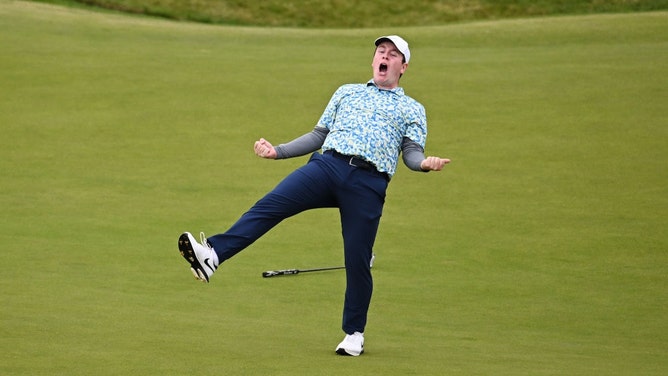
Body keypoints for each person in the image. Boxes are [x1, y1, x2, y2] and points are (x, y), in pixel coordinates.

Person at [177, 35, 450, 356]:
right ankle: (213, 256)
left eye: (392, 55)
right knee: (270, 205)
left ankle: (354, 334)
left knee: (357, 259)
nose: (384, 57)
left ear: (402, 67)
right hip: (327, 166)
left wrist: (424, 165)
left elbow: (411, 153)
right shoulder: (347, 91)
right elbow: (319, 134)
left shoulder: (412, 108)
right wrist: (277, 151)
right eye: (381, 51)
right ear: (374, 59)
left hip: (368, 183)